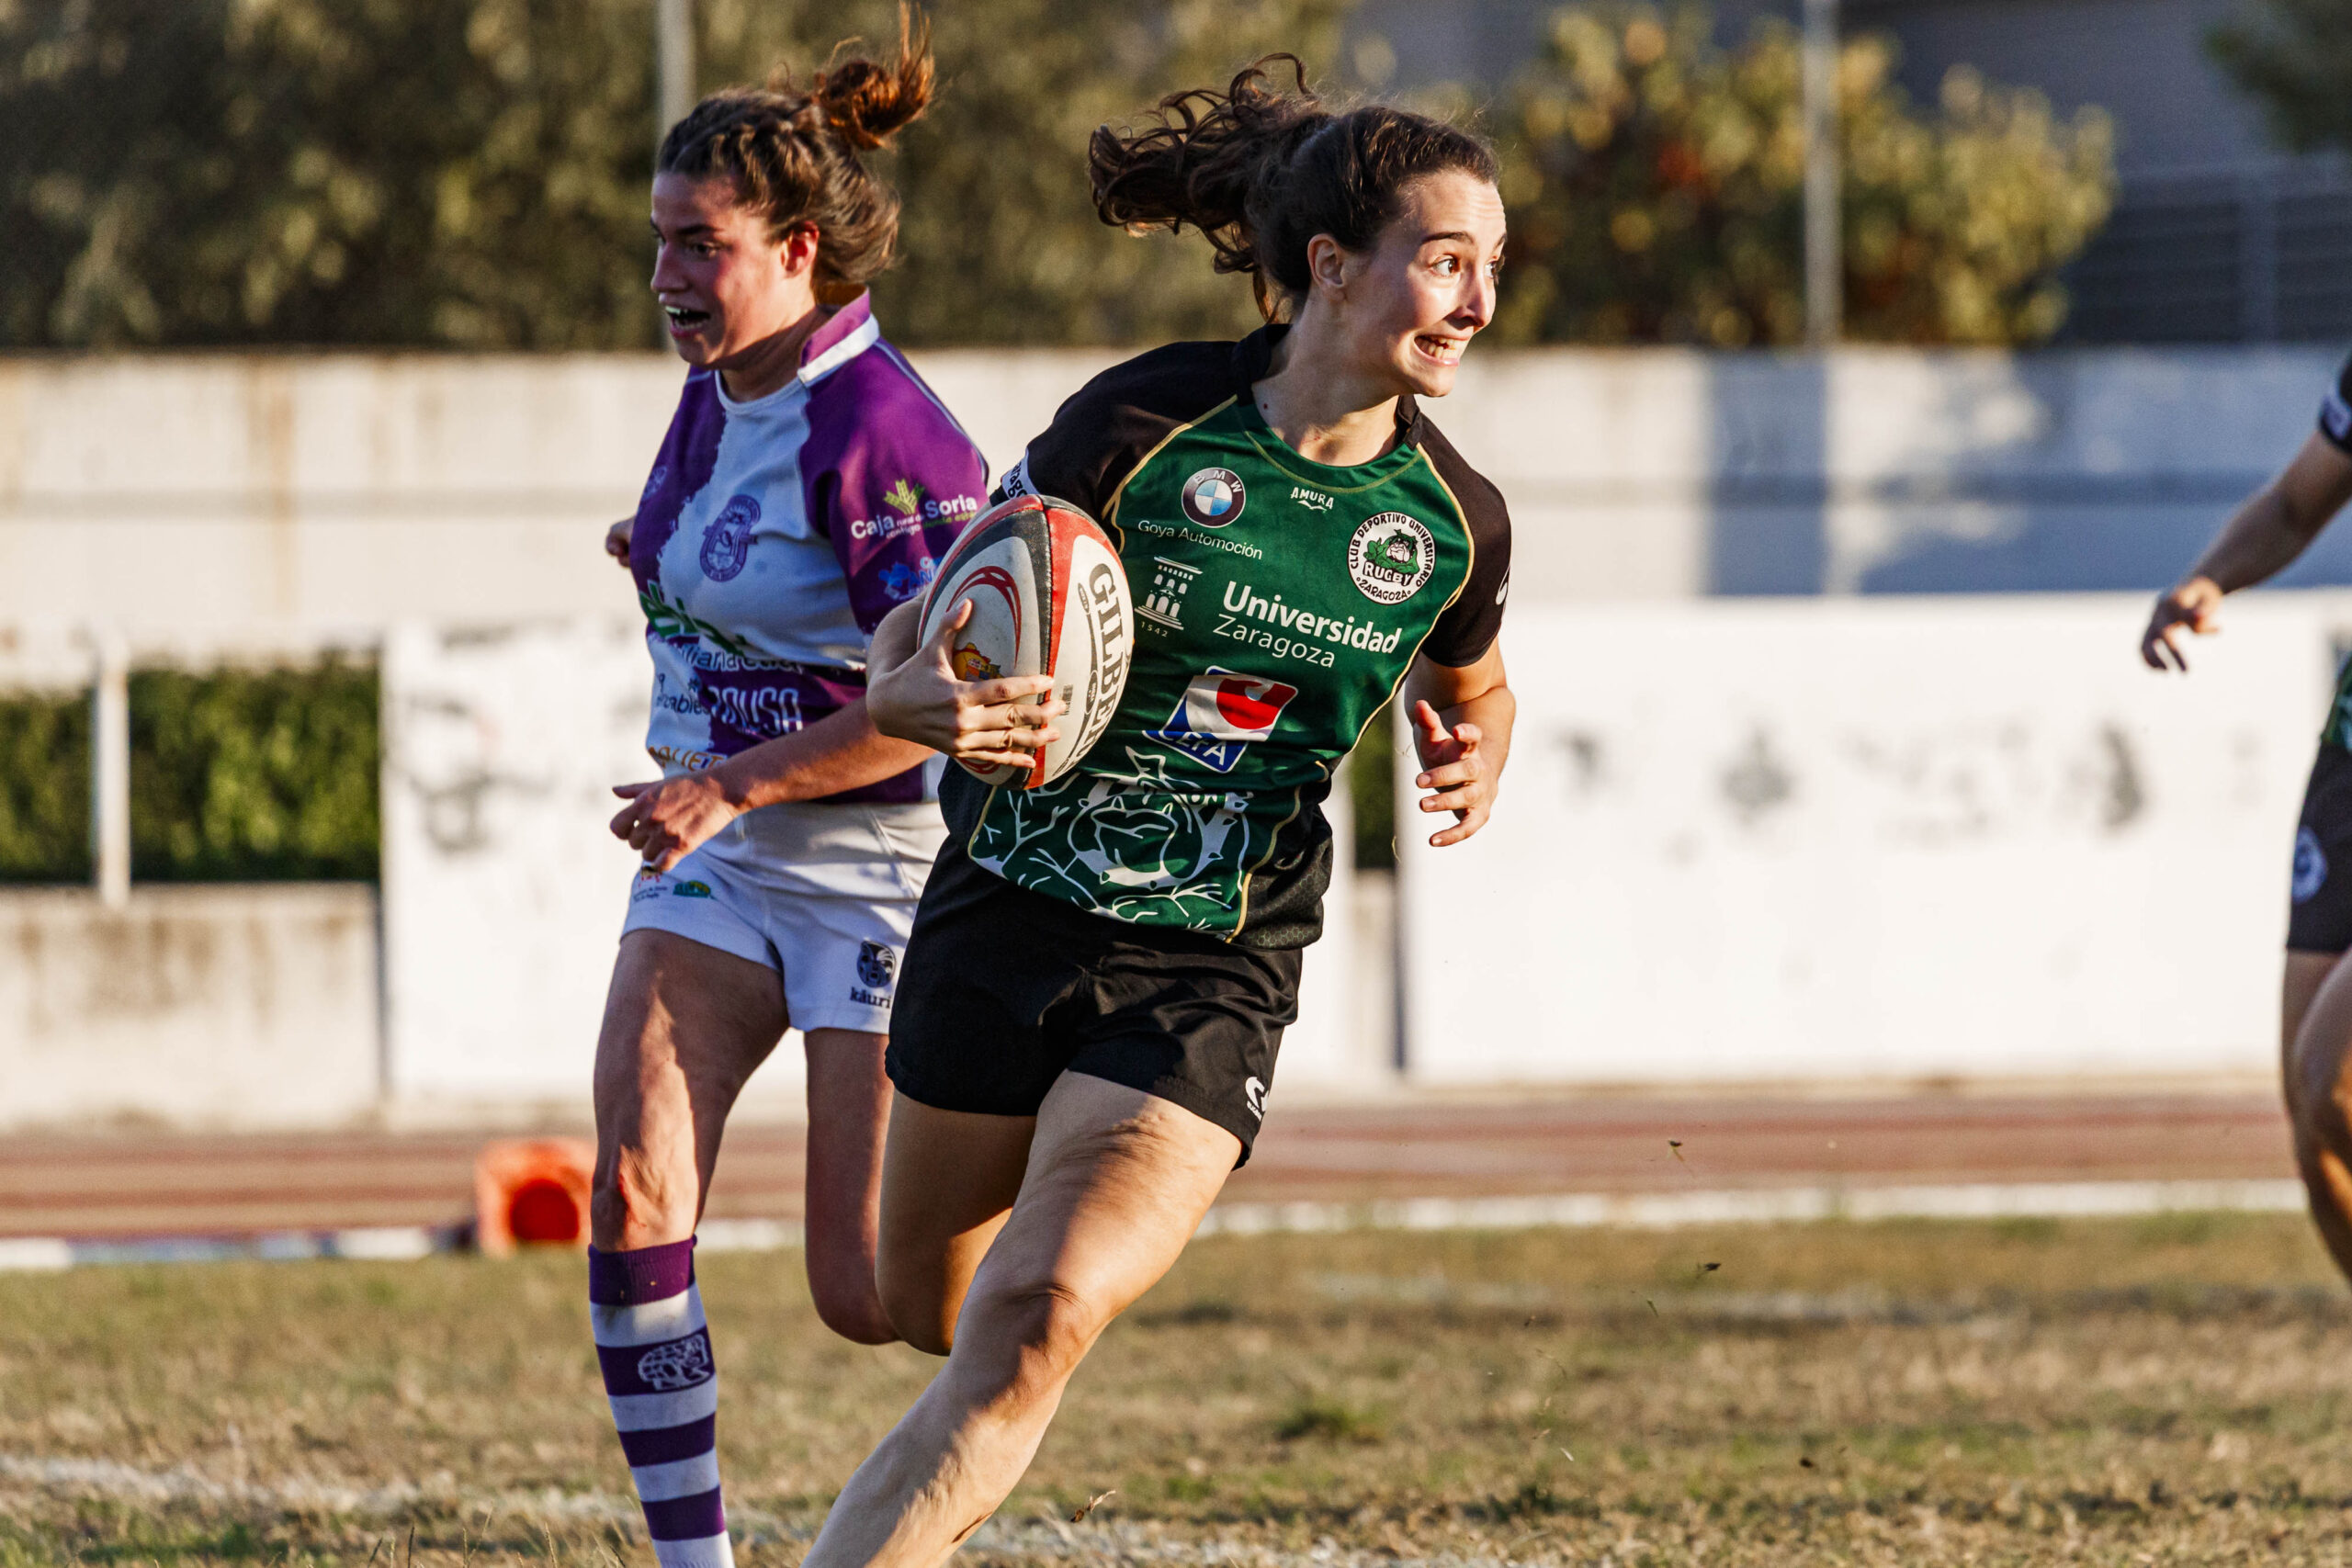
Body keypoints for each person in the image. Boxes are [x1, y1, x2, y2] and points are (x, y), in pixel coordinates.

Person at [802, 59, 1518, 1565]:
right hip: (1008, 903)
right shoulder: (1141, 420)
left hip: (1212, 961)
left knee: (1036, 1313)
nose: (1476, 302)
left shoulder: (1454, 522)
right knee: (920, 1305)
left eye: (1492, 268)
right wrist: (913, 694)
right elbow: (926, 627)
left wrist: (1476, 746)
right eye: (1447, 261)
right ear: (1333, 265)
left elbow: (1478, 678)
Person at [582, 17, 1007, 1568]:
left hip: (882, 869)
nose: (668, 276)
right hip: (728, 859)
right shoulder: (720, 381)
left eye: (700, 245)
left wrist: (728, 785)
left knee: (873, 1294)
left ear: (798, 250)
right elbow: (740, 564)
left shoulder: (888, 433)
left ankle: (1067, 1220)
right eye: (660, 242)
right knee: (634, 1188)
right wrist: (659, 566)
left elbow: (945, 707)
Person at [2142, 356, 2352, 1279]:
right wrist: (2209, 579)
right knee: (2315, 1132)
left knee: (2332, 1080)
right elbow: (2295, 506)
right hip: (2349, 764)